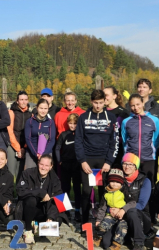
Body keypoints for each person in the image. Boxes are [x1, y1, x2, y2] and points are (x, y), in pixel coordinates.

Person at [74, 89, 119, 220]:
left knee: (104, 192)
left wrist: (109, 161)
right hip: (87, 160)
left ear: (105, 101)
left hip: (104, 160)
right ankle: (84, 222)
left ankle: (102, 221)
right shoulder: (83, 117)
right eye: (95, 103)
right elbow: (78, 140)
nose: (98, 106)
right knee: (86, 192)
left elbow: (114, 141)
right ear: (91, 102)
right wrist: (82, 161)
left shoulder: (111, 117)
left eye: (100, 103)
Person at [16, 154, 64, 245]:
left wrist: (51, 217)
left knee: (58, 220)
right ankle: (28, 230)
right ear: (38, 163)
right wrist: (39, 192)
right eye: (41, 164)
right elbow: (20, 191)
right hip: (27, 209)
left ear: (51, 167)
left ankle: (38, 225)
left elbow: (59, 200)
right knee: (31, 199)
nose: (43, 167)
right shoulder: (27, 173)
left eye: (46, 165)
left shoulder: (55, 179)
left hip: (44, 211)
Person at [120, 94, 159, 183]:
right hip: (131, 159)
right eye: (133, 105)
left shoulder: (154, 120)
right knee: (132, 185)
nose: (136, 107)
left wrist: (151, 151)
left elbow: (157, 140)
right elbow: (124, 140)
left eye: (138, 104)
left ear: (143, 103)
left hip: (149, 158)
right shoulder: (126, 122)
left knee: (149, 184)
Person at [118, 153, 152, 250]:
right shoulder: (118, 179)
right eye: (125, 164)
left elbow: (141, 204)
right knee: (106, 242)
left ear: (136, 166)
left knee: (132, 210)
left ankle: (139, 243)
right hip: (122, 216)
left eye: (131, 164)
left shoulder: (145, 181)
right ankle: (126, 236)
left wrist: (123, 209)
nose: (127, 167)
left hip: (141, 217)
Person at [93, 168, 128, 250]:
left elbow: (132, 203)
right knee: (104, 223)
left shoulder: (124, 192)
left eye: (117, 182)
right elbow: (102, 208)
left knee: (122, 227)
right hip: (110, 215)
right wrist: (98, 220)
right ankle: (98, 237)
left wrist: (123, 210)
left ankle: (116, 244)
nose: (115, 184)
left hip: (122, 216)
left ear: (121, 182)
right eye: (112, 181)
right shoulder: (106, 193)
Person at [54, 114, 81, 223]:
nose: (72, 125)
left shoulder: (80, 135)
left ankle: (78, 211)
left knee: (77, 189)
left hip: (77, 165)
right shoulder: (63, 135)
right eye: (70, 123)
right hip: (65, 165)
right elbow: (57, 148)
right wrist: (59, 160)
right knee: (65, 188)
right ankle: (65, 211)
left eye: (75, 123)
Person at [7, 90, 33, 179]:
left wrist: (24, 147)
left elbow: (30, 132)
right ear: (17, 101)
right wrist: (17, 148)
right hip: (12, 145)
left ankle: (19, 192)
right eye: (21, 99)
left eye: (25, 99)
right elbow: (10, 131)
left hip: (25, 147)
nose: (23, 102)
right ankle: (8, 192)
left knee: (21, 173)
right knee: (10, 172)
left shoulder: (30, 115)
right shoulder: (11, 112)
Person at [24, 98, 56, 169]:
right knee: (30, 175)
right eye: (41, 108)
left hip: (46, 152)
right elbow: (28, 139)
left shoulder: (50, 122)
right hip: (32, 153)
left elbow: (52, 140)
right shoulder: (30, 121)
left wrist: (43, 154)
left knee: (45, 175)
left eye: (45, 108)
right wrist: (36, 154)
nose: (43, 111)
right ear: (37, 108)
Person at [104, 86, 129, 167]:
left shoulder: (124, 113)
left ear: (114, 96)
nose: (104, 97)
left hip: (118, 152)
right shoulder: (100, 111)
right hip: (102, 151)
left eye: (106, 95)